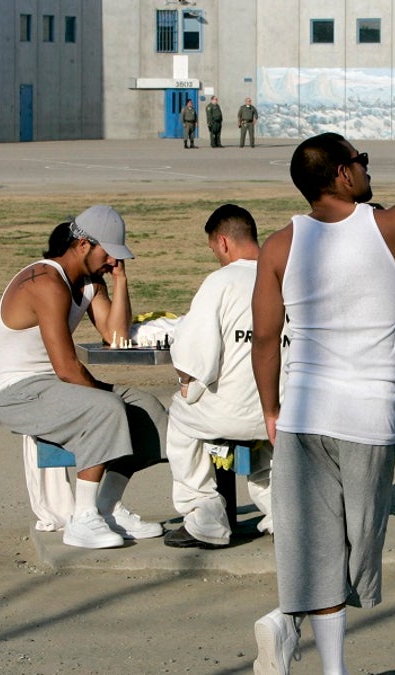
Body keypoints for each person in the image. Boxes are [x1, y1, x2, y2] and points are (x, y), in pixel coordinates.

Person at [249, 132, 395, 675]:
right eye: (361, 161)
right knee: (358, 552)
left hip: (304, 414)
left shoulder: (280, 245)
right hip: (367, 418)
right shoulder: (390, 224)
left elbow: (265, 340)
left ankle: (310, 643)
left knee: (317, 542)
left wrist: (271, 410)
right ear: (341, 174)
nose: (366, 168)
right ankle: (293, 624)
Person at [0, 205, 167, 549]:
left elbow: (115, 334)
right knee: (107, 409)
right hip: (20, 393)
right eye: (109, 254)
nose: (112, 261)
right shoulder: (45, 282)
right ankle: (82, 519)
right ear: (84, 244)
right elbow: (66, 368)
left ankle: (107, 508)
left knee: (149, 409)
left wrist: (120, 279)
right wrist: (109, 401)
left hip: (56, 387)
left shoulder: (90, 282)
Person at [163, 204, 275, 549]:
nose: (216, 257)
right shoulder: (285, 275)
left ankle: (204, 512)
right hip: (281, 410)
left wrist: (185, 383)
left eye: (214, 250)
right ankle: (283, 514)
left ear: (223, 242)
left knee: (181, 419)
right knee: (265, 456)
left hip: (229, 412)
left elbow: (196, 361)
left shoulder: (221, 281)